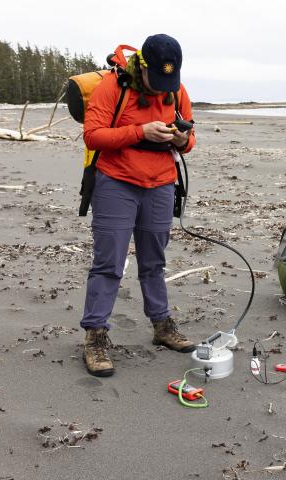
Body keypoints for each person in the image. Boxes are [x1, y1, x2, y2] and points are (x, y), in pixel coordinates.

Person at [79, 34, 196, 377]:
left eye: (168, 83)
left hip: (160, 184)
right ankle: (95, 336)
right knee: (108, 263)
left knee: (154, 261)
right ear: (141, 66)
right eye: (156, 82)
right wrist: (140, 131)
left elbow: (189, 141)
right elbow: (93, 135)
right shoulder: (113, 88)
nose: (162, 90)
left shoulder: (177, 90)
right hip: (115, 182)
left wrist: (180, 138)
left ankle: (162, 325)